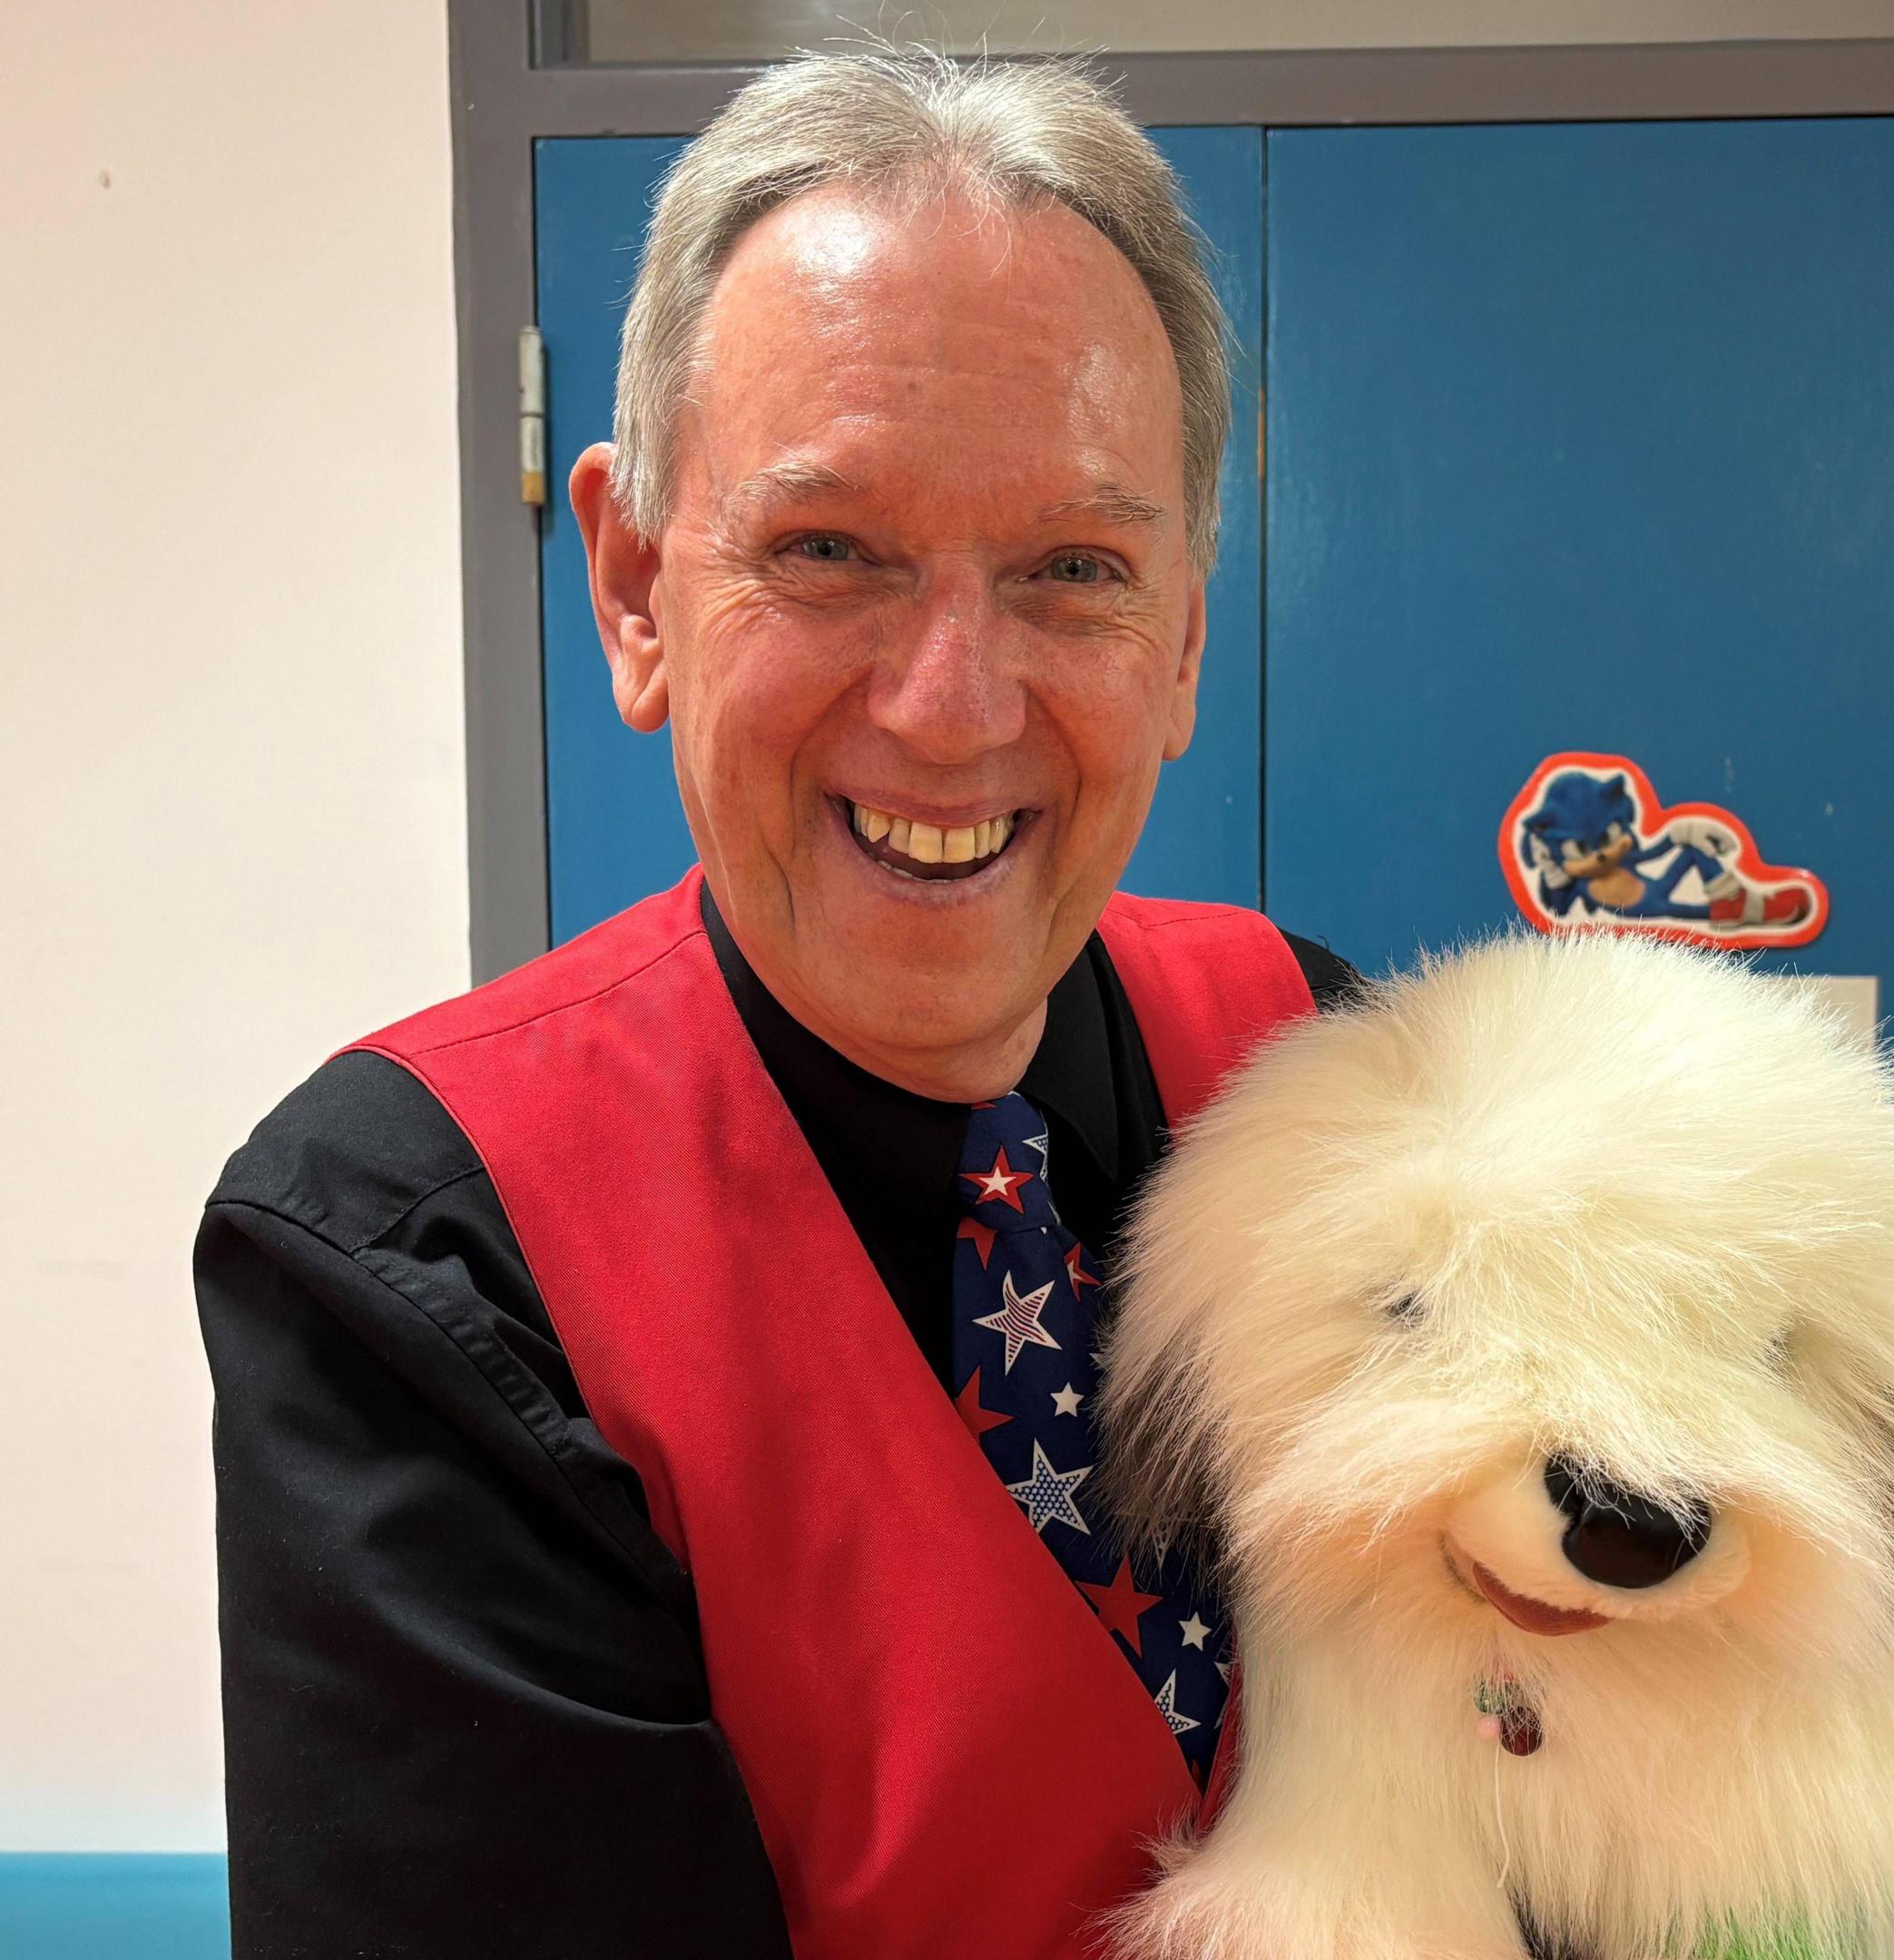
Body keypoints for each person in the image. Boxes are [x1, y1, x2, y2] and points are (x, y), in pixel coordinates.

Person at [194, 48, 1355, 1960]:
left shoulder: (1313, 1062)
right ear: (639, 588)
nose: (952, 702)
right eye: (830, 553)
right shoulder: (419, 1258)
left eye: (1077, 572)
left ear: (1185, 647)